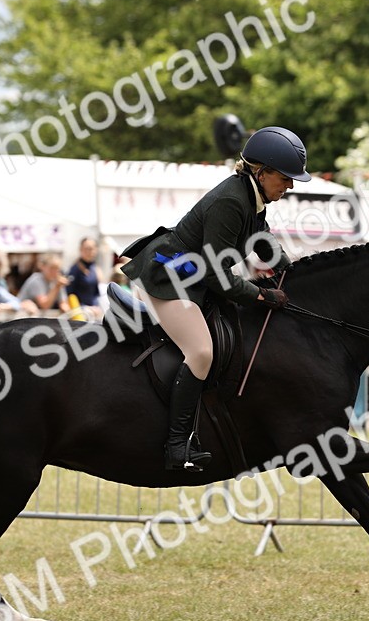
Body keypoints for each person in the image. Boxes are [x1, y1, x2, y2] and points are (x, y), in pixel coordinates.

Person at [120, 125, 304, 471]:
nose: (290, 185)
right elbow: (214, 273)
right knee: (201, 352)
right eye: (285, 178)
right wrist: (261, 296)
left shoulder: (254, 197)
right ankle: (176, 446)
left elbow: (262, 240)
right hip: (169, 281)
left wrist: (291, 270)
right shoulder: (231, 201)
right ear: (261, 172)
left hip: (195, 281)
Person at [66, 238, 103, 318]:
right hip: (81, 313)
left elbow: (96, 293)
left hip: (95, 310)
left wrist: (96, 306)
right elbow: (70, 293)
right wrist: (84, 308)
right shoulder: (75, 269)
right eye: (87, 249)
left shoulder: (95, 268)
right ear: (81, 249)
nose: (90, 252)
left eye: (92, 249)